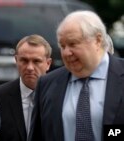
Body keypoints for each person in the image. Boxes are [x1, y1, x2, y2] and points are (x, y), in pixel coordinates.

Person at [28, 10, 124, 141]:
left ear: (97, 40)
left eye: (73, 44)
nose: (67, 52)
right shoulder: (47, 84)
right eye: (62, 46)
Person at [0, 34, 52, 141]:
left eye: (36, 61)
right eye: (24, 60)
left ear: (48, 63)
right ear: (16, 60)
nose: (29, 67)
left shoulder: (60, 96)